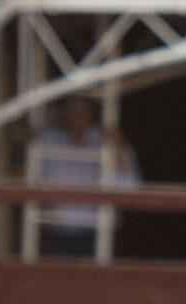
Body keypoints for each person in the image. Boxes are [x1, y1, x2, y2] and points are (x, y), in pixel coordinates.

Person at [31, 93, 138, 257]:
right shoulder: (48, 140)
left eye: (82, 111)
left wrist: (116, 150)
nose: (76, 117)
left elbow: (129, 188)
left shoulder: (107, 141)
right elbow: (30, 181)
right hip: (57, 235)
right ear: (63, 113)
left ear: (92, 113)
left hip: (98, 235)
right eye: (71, 111)